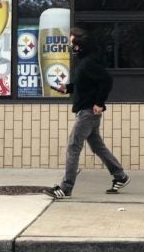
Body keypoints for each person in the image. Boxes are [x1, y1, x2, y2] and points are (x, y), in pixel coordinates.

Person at [44, 27, 130, 199]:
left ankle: (65, 188)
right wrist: (66, 88)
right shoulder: (84, 61)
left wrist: (99, 103)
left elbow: (107, 80)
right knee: (97, 146)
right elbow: (82, 83)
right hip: (87, 111)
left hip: (88, 112)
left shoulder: (89, 62)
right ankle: (120, 175)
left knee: (73, 146)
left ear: (78, 46)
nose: (69, 45)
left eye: (71, 42)